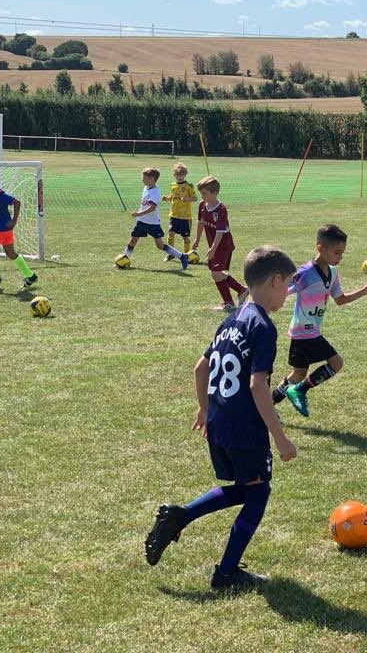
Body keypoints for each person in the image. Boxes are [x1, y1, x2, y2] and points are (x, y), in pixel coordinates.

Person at [144, 245, 299, 591]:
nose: (288, 293)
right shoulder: (263, 327)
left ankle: (180, 516)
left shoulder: (231, 320)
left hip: (219, 422)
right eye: (288, 285)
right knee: (257, 495)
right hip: (245, 428)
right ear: (275, 281)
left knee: (245, 488)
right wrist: (280, 436)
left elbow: (200, 368)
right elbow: (257, 385)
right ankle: (226, 573)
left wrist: (204, 408)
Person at [272, 224, 367, 418]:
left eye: (342, 253)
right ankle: (300, 390)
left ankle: (266, 406)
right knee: (336, 363)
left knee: (298, 374)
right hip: (305, 331)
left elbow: (340, 299)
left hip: (305, 332)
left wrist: (364, 291)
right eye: (337, 252)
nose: (340, 257)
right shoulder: (305, 273)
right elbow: (283, 289)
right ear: (320, 248)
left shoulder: (333, 272)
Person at [192, 176, 247, 313]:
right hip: (215, 246)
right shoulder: (202, 205)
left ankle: (229, 303)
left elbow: (220, 232)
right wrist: (197, 240)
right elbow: (200, 223)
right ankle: (241, 290)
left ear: (215, 193)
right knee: (217, 273)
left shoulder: (221, 209)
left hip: (223, 245)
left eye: (205, 193)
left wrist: (212, 249)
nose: (202, 196)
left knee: (216, 273)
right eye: (201, 193)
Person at [0, 165, 37, 289]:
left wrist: (14, 221)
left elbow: (16, 202)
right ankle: (30, 275)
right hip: (5, 230)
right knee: (10, 253)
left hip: (1, 229)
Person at [119, 167, 189, 271]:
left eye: (144, 178)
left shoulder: (155, 192)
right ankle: (124, 260)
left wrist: (138, 214)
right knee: (133, 240)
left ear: (152, 179)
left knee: (160, 245)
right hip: (141, 221)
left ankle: (182, 256)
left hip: (153, 223)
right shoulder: (146, 188)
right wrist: (140, 216)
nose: (142, 180)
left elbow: (152, 208)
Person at [161, 162, 196, 260]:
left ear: (185, 175)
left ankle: (186, 255)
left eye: (182, 175)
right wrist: (167, 198)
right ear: (174, 175)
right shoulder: (173, 185)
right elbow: (173, 197)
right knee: (171, 233)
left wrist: (186, 199)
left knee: (185, 237)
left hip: (185, 216)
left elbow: (194, 198)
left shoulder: (189, 186)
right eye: (178, 175)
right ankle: (170, 253)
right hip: (174, 215)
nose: (180, 177)